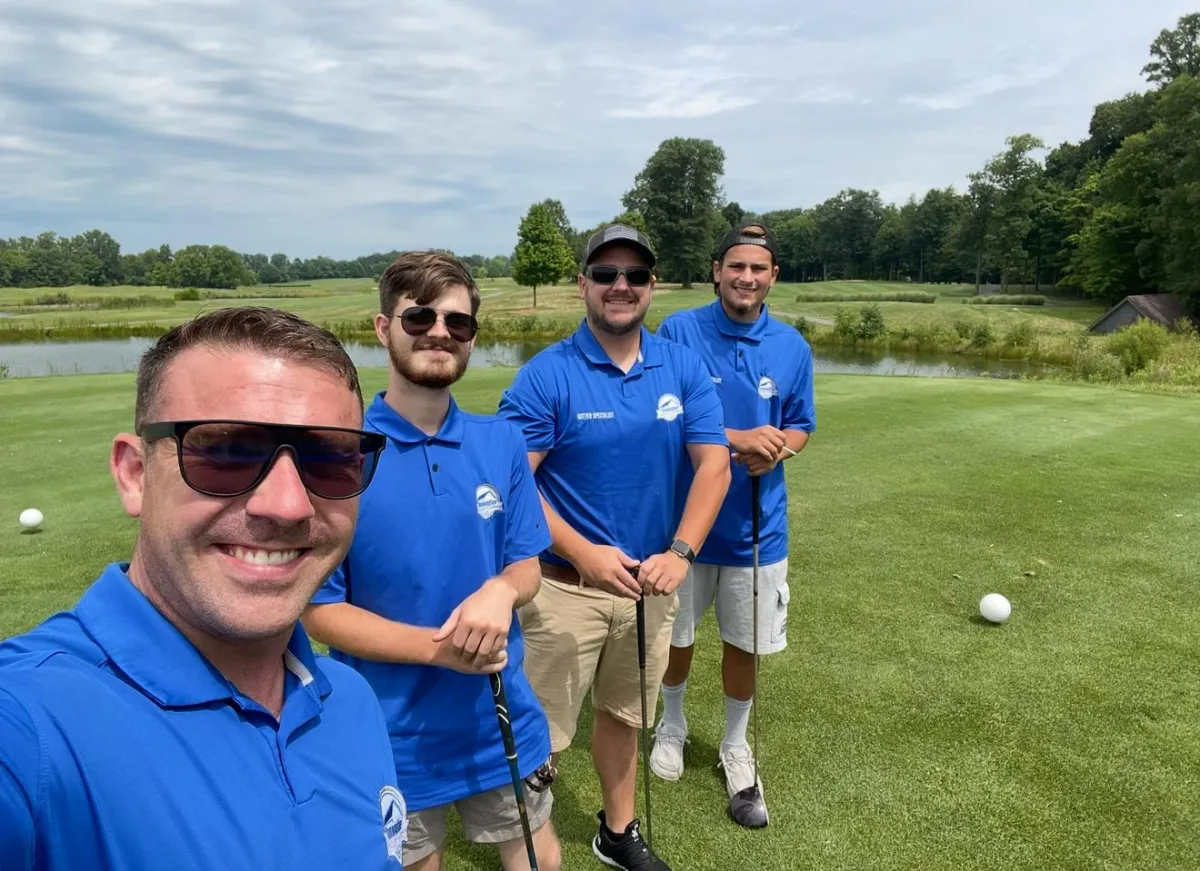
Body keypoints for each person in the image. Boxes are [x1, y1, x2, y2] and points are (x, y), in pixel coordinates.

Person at [0, 306, 407, 869]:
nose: (287, 505)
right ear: (135, 474)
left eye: (329, 459)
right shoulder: (30, 724)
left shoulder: (349, 699)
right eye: (225, 452)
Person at [301, 251, 561, 871]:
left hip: (498, 713)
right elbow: (320, 610)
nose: (440, 332)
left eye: (458, 322)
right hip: (392, 730)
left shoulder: (501, 441)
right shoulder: (340, 455)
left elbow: (527, 563)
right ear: (383, 327)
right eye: (419, 317)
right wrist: (437, 649)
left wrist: (501, 591)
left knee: (537, 856)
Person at [497, 224, 732, 871]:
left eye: (634, 275)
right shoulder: (549, 374)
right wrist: (582, 552)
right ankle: (522, 833)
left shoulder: (681, 367)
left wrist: (682, 551)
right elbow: (517, 479)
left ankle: (616, 829)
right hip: (562, 586)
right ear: (583, 285)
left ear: (652, 286)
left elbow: (714, 465)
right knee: (542, 726)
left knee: (626, 712)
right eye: (605, 274)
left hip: (650, 582)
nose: (620, 286)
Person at [649, 223, 816, 822]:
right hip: (685, 529)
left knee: (745, 644)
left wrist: (777, 449)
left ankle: (735, 744)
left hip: (757, 529)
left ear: (773, 277)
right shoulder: (678, 332)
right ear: (717, 270)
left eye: (759, 269)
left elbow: (799, 423)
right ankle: (671, 726)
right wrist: (737, 438)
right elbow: (664, 419)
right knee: (677, 637)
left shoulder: (792, 346)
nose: (747, 277)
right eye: (736, 266)